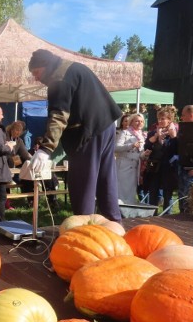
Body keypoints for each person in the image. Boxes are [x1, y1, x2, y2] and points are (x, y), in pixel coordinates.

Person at [27, 48, 123, 221]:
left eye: (36, 72)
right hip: (106, 126)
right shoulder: (75, 67)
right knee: (105, 179)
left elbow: (58, 115)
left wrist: (45, 149)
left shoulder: (59, 77)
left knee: (82, 183)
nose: (36, 77)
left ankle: (82, 229)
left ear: (46, 66)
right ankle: (115, 224)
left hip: (87, 132)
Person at [143, 106, 179, 210]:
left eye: (163, 118)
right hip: (154, 167)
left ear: (169, 120)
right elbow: (147, 147)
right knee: (153, 192)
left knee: (168, 194)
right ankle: (152, 214)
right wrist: (155, 138)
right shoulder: (153, 132)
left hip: (168, 167)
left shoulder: (174, 133)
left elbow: (176, 150)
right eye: (159, 118)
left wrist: (173, 137)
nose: (160, 121)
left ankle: (167, 216)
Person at [176, 105, 193, 213]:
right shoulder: (185, 126)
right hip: (183, 166)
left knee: (191, 198)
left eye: (183, 115)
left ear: (192, 115)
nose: (181, 118)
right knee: (182, 197)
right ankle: (181, 217)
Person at [115, 113, 145, 204]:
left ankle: (128, 212)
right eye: (137, 121)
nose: (139, 123)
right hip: (123, 165)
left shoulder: (141, 136)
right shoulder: (125, 133)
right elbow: (116, 147)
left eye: (141, 121)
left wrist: (145, 154)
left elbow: (139, 154)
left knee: (130, 191)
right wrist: (131, 145)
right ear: (131, 122)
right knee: (121, 190)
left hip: (134, 167)